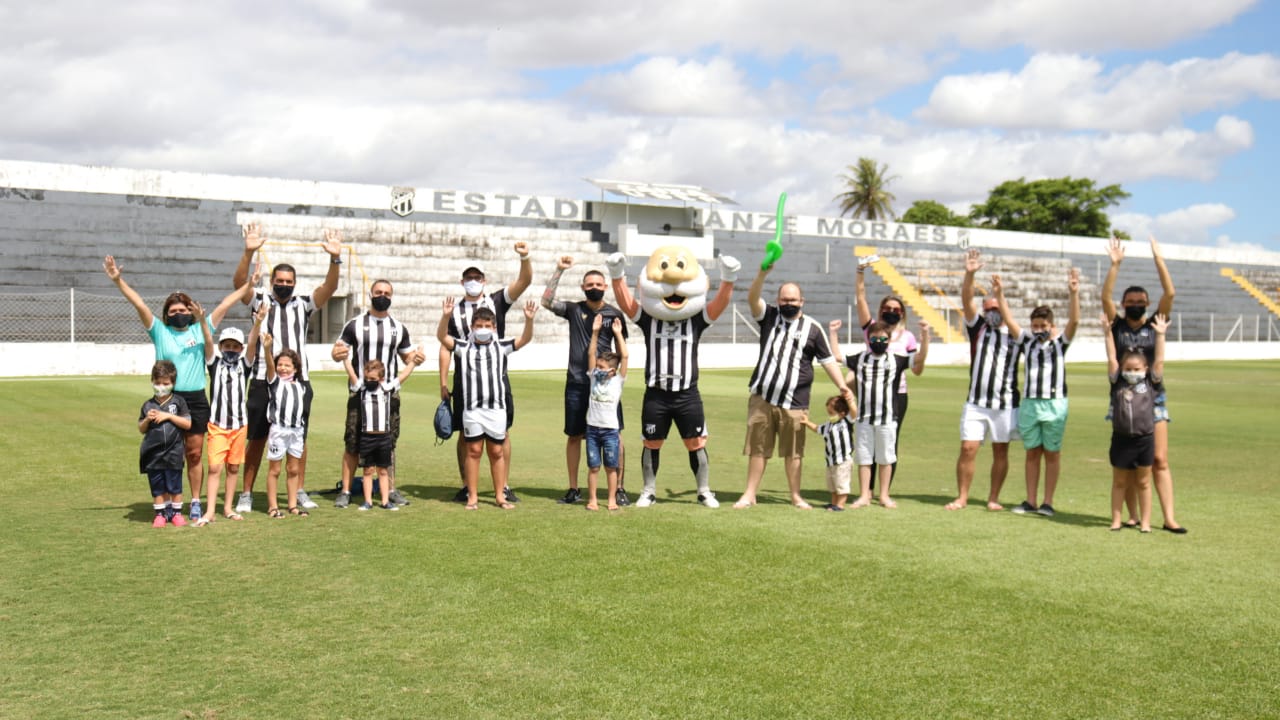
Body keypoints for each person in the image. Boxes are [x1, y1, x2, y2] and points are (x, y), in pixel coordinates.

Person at [104, 255, 253, 523]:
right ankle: (169, 505)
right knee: (167, 455)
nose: (179, 314)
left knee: (194, 454)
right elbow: (138, 303)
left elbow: (226, 304)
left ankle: (195, 502)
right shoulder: (159, 331)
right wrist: (118, 281)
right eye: (173, 311)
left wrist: (248, 286)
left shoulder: (201, 328)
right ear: (166, 314)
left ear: (191, 311)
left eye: (183, 310)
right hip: (167, 399)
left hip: (195, 400)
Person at [606, 246, 740, 508]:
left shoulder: (696, 320)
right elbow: (627, 303)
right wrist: (617, 274)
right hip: (656, 393)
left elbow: (720, 304)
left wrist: (728, 277)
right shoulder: (648, 320)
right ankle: (648, 490)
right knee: (652, 442)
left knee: (696, 443)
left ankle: (703, 490)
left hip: (687, 393)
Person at [232, 223, 343, 514]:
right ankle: (246, 493)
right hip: (262, 379)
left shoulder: (303, 305)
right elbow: (239, 284)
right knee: (257, 438)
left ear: (294, 283)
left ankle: (299, 490)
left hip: (298, 383)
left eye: (288, 281)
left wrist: (334, 258)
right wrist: (248, 252)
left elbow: (330, 288)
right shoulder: (260, 301)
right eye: (279, 280)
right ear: (272, 281)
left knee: (299, 436)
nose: (284, 284)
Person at [734, 264, 855, 510]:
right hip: (763, 397)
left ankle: (796, 496)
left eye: (793, 299)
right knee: (758, 449)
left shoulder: (812, 328)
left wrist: (842, 386)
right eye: (784, 299)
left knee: (794, 452)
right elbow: (752, 298)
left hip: (795, 401)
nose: (788, 303)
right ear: (778, 300)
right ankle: (749, 494)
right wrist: (762, 274)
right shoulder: (769, 317)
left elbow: (828, 360)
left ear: (802, 301)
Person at [1101, 235, 1186, 534]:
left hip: (1154, 400)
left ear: (1148, 304)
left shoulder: (1154, 324)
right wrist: (1115, 265)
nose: (1135, 306)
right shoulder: (1118, 325)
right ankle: (1132, 516)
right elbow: (1104, 297)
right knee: (1126, 465)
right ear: (1123, 305)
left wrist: (1158, 260)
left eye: (1140, 302)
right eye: (1131, 302)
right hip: (1123, 400)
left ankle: (1169, 517)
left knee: (1158, 459)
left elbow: (1171, 292)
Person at [439, 243, 533, 504]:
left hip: (496, 377)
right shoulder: (455, 311)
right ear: (462, 282)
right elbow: (445, 346)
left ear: (484, 280)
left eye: (476, 278)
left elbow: (524, 281)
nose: (472, 282)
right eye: (468, 278)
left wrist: (524, 257)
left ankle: (503, 486)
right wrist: (443, 381)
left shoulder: (496, 301)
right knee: (464, 434)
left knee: (503, 432)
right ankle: (467, 486)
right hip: (465, 378)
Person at [541, 256, 631, 506]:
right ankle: (573, 488)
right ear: (583, 287)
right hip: (577, 382)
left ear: (605, 287)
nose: (594, 287)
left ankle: (619, 488)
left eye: (599, 284)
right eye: (589, 284)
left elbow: (622, 348)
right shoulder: (574, 309)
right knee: (574, 436)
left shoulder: (615, 314)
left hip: (605, 384)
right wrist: (559, 269)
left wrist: (613, 373)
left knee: (615, 434)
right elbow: (546, 301)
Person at [330, 280, 425, 509]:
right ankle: (345, 490)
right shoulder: (355, 324)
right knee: (352, 441)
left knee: (388, 443)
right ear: (370, 294)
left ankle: (389, 490)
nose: (382, 296)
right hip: (360, 393)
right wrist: (336, 353)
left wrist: (417, 359)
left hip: (389, 395)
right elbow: (338, 351)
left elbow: (407, 356)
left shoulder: (398, 327)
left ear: (392, 297)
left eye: (387, 293)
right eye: (378, 292)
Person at [994, 270, 1080, 517]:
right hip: (1030, 403)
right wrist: (1000, 295)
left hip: (1054, 403)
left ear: (1051, 326)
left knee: (1052, 453)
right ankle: (1030, 500)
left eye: (1043, 326)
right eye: (1035, 326)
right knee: (1032, 452)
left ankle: (1048, 502)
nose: (1039, 329)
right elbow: (1009, 320)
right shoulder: (1027, 342)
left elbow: (1074, 322)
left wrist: (1073, 293)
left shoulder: (1059, 344)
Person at [948, 248, 1021, 511]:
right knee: (968, 448)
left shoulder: (1015, 334)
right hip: (976, 402)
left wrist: (1001, 298)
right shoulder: (978, 328)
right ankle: (962, 496)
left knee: (1001, 451)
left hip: (1005, 403)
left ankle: (993, 498)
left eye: (995, 308)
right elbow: (967, 300)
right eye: (988, 308)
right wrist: (969, 275)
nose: (991, 312)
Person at [853, 256, 929, 490]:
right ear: (881, 310)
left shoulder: (907, 337)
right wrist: (860, 272)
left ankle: (883, 491)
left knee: (888, 441)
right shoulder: (872, 330)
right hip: (869, 394)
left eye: (896, 309)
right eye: (887, 308)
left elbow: (917, 369)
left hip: (897, 396)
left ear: (902, 313)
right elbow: (861, 299)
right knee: (868, 441)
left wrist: (926, 339)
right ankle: (868, 490)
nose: (891, 312)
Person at [831, 320, 912, 509]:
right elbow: (837, 356)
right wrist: (833, 333)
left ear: (889, 340)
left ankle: (884, 495)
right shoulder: (860, 359)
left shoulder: (896, 360)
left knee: (886, 458)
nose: (879, 341)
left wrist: (925, 337)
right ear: (868, 340)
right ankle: (864, 495)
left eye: (883, 338)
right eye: (875, 338)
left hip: (887, 418)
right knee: (865, 458)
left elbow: (918, 360)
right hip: (864, 418)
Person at [1102, 313, 1169, 532]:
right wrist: (1107, 334)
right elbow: (1112, 357)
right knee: (1120, 482)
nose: (1132, 373)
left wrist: (1160, 336)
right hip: (1121, 439)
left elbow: (1158, 360)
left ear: (1145, 370)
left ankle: (1146, 522)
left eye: (1136, 369)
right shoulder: (1118, 382)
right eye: (1128, 369)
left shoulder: (1150, 383)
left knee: (1143, 482)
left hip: (1145, 439)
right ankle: (1116, 520)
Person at [193, 319, 261, 526]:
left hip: (240, 426)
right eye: (227, 346)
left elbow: (252, 344)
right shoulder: (215, 364)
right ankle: (210, 510)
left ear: (240, 349)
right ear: (221, 347)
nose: (230, 349)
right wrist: (202, 322)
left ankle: (228, 508)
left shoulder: (244, 365)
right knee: (215, 468)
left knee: (233, 468)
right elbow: (206, 340)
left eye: (235, 346)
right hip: (217, 426)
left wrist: (257, 323)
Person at [343, 355, 421, 511]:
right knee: (368, 470)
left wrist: (413, 362)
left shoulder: (387, 388)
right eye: (367, 378)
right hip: (367, 436)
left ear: (381, 378)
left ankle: (385, 501)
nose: (369, 381)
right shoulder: (362, 388)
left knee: (383, 470)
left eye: (372, 378)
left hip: (384, 436)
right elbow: (352, 375)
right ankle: (368, 501)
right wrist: (345, 359)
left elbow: (403, 376)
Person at [138, 360, 192, 527]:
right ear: (152, 381)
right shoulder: (148, 405)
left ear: (173, 383)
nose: (161, 386)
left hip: (174, 452)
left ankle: (176, 514)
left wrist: (168, 416)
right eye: (158, 382)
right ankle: (160, 514)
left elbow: (188, 424)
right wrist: (147, 419)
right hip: (153, 454)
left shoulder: (178, 402)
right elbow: (141, 428)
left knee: (175, 486)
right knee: (158, 487)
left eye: (165, 383)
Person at [584, 315, 629, 511]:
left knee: (611, 467)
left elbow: (625, 357)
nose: (599, 370)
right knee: (593, 467)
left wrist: (618, 334)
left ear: (613, 369)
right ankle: (592, 499)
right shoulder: (594, 376)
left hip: (610, 430)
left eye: (603, 367)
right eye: (598, 366)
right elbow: (591, 354)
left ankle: (611, 499)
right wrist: (595, 332)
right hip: (592, 429)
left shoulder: (618, 380)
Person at [261, 333, 308, 518]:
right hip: (279, 430)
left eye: (287, 365)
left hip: (296, 431)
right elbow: (270, 367)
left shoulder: (301, 387)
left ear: (295, 368)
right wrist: (267, 349)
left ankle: (292, 505)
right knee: (275, 469)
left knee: (293, 469)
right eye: (280, 364)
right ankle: (273, 506)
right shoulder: (275, 383)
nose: (283, 368)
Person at [801, 396, 856, 512]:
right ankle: (833, 503)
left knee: (841, 484)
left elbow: (854, 413)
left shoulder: (846, 421)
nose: (830, 416)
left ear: (842, 413)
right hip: (831, 461)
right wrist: (807, 422)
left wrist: (850, 401)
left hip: (843, 461)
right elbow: (817, 429)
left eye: (832, 413)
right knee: (833, 485)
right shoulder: (828, 425)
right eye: (829, 413)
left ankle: (840, 505)